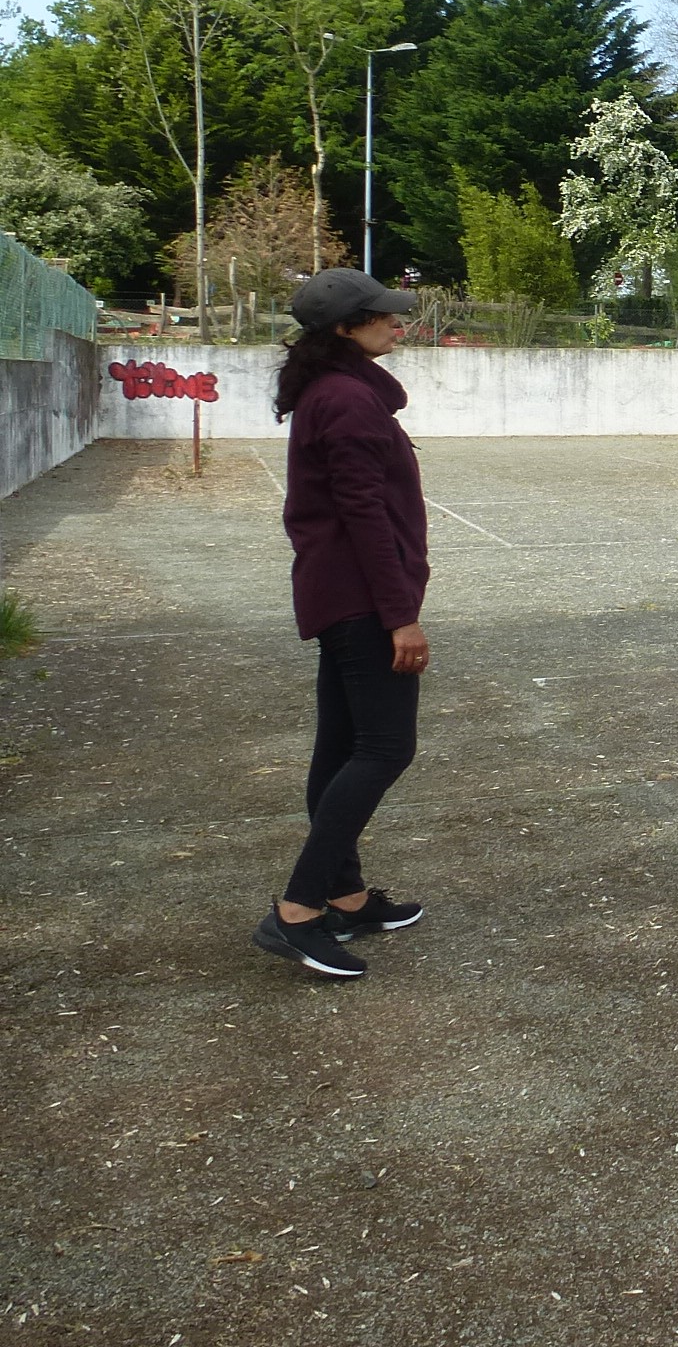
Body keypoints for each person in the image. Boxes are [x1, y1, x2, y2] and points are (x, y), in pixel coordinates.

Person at [252, 270, 432, 979]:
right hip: (361, 601)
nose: (398, 322)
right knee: (385, 748)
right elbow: (363, 516)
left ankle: (347, 897)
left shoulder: (337, 392)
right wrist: (401, 618)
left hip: (340, 596)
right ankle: (297, 912)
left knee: (341, 747)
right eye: (382, 315)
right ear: (343, 330)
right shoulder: (350, 402)